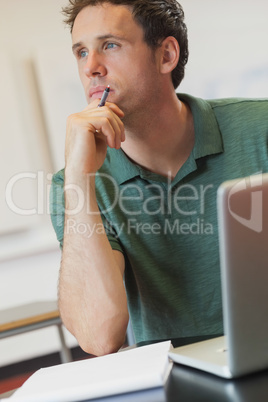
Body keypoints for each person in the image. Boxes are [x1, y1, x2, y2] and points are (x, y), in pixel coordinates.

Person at [50, 0, 268, 356]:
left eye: (110, 45)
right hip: (174, 380)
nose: (91, 67)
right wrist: (78, 176)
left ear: (166, 54)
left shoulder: (261, 129)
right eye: (81, 52)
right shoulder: (74, 185)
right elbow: (98, 336)